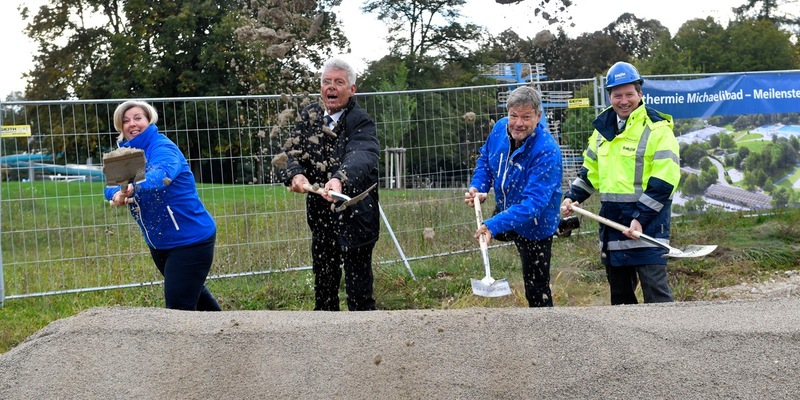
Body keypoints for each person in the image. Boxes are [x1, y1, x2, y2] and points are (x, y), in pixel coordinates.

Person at [561, 61, 681, 305]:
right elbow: (590, 172)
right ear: (609, 97)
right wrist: (573, 196)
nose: (623, 101)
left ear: (640, 94)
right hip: (612, 224)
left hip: (647, 226)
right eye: (617, 95)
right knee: (621, 300)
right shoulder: (601, 131)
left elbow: (663, 181)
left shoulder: (658, 129)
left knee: (657, 295)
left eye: (629, 94)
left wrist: (641, 218)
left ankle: (670, 340)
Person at [280, 57, 380, 311]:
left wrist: (339, 179)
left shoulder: (361, 121)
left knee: (358, 287)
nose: (331, 87)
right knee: (324, 281)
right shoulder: (310, 116)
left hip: (356, 212)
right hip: (321, 214)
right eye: (326, 82)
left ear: (352, 89)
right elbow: (292, 152)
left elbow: (362, 154)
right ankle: (324, 334)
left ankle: (363, 333)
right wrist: (295, 175)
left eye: (338, 82)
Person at [105, 100, 221, 311]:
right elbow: (110, 186)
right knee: (195, 297)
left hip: (190, 240)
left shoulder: (163, 147)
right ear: (120, 127)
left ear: (149, 120)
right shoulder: (124, 153)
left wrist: (131, 188)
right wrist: (116, 195)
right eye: (126, 121)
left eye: (138, 118)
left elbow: (160, 176)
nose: (132, 124)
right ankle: (232, 335)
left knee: (178, 308)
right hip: (160, 243)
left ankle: (192, 344)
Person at [465, 86, 563, 307]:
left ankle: (544, 327)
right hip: (507, 207)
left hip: (535, 222)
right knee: (498, 227)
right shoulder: (500, 129)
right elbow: (485, 160)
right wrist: (479, 187)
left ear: (538, 116)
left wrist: (491, 226)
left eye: (526, 117)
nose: (518, 123)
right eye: (513, 116)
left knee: (536, 286)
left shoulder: (547, 151)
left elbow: (533, 204)